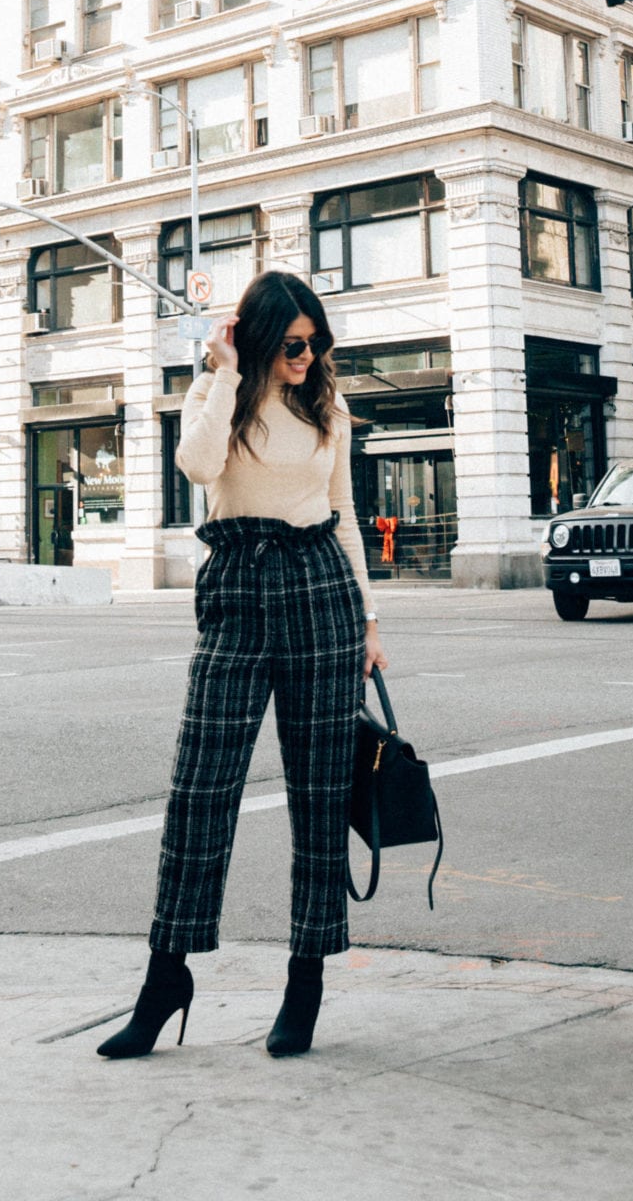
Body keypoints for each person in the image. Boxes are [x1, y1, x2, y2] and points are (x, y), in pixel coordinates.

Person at [98, 268, 385, 1062]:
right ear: (259, 339)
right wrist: (225, 371)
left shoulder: (328, 408)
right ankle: (166, 980)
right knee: (200, 787)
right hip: (236, 584)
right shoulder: (215, 395)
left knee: (320, 795)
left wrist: (367, 620)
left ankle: (307, 978)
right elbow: (195, 469)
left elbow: (347, 517)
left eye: (315, 341)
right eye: (292, 343)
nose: (308, 354)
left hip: (320, 587)